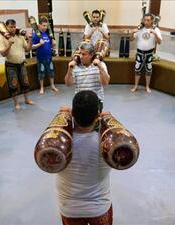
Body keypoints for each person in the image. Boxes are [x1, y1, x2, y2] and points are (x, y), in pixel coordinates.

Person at [56, 90, 112, 225]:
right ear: (98, 115)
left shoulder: (59, 144)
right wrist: (108, 121)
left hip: (69, 209)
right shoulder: (108, 145)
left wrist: (62, 115)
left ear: (73, 113)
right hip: (99, 208)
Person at [0, 19, 34, 110]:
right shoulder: (2, 37)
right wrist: (9, 45)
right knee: (13, 85)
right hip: (11, 65)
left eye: (14, 27)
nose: (13, 29)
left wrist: (30, 40)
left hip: (21, 64)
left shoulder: (20, 36)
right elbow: (3, 54)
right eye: (11, 27)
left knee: (25, 82)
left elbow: (27, 49)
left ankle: (27, 99)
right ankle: (16, 103)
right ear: (6, 27)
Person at [65, 42, 110, 112]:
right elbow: (68, 84)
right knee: (78, 122)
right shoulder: (75, 66)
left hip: (96, 101)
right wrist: (69, 69)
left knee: (94, 122)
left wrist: (100, 67)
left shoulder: (101, 65)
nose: (80, 56)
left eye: (83, 54)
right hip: (79, 100)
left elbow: (105, 83)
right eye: (80, 53)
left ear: (91, 55)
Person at [130, 13, 162, 93]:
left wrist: (155, 34)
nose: (146, 22)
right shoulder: (140, 29)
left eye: (148, 20)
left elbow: (159, 42)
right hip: (140, 52)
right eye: (145, 20)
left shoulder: (156, 29)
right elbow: (131, 39)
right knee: (137, 69)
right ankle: (136, 86)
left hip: (149, 53)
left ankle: (147, 86)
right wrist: (131, 32)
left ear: (152, 21)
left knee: (149, 70)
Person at [31, 16, 59, 94]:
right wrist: (39, 44)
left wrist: (54, 44)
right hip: (41, 58)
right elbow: (31, 47)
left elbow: (51, 45)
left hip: (49, 58)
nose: (45, 27)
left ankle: (52, 86)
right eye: (43, 25)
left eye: (46, 26)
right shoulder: (35, 35)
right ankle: (42, 87)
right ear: (39, 25)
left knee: (51, 72)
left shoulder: (47, 34)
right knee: (41, 72)